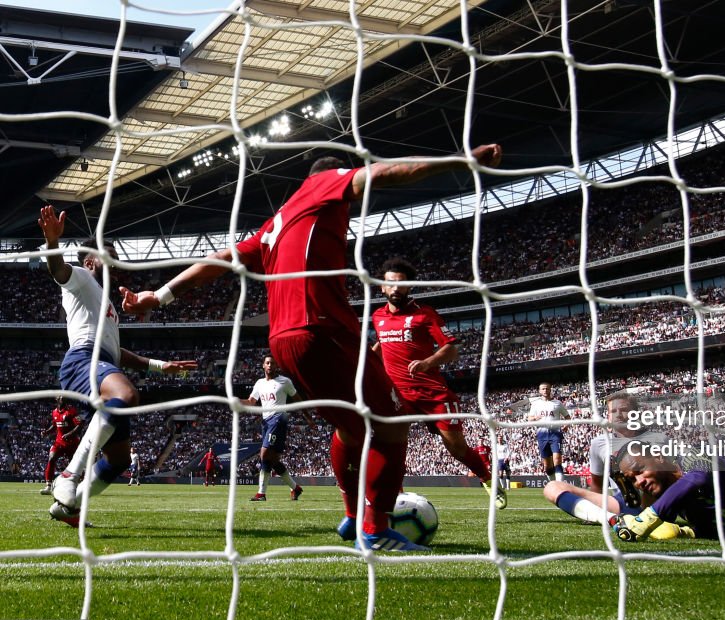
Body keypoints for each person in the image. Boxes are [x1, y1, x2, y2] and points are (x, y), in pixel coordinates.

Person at [120, 144, 502, 551]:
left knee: (352, 429)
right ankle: (374, 530)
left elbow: (219, 260)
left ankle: (352, 517)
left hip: (283, 342)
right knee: (392, 427)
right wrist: (460, 160)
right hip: (321, 330)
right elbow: (382, 174)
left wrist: (157, 297)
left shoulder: (273, 226)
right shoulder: (325, 183)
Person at [39, 206, 197, 528]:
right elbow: (58, 271)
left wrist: (158, 366)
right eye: (106, 255)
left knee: (119, 460)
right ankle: (68, 476)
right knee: (125, 394)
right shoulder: (82, 280)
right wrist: (53, 243)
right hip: (83, 359)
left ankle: (70, 509)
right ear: (89, 262)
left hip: (101, 360)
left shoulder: (107, 304)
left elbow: (118, 352)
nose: (113, 261)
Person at [371, 257, 505, 509]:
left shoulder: (425, 314)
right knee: (392, 446)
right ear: (382, 287)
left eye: (402, 284)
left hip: (432, 393)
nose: (396, 288)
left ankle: (488, 478)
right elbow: (382, 344)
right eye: (391, 284)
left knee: (456, 447)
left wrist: (428, 362)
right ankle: (394, 498)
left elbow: (451, 348)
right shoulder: (377, 317)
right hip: (397, 395)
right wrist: (369, 359)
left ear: (409, 287)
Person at [543, 392, 685, 540]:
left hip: (657, 504)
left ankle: (649, 519)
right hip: (622, 503)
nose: (618, 414)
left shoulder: (659, 439)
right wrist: (592, 511)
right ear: (608, 416)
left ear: (636, 413)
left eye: (623, 409)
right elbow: (597, 483)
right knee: (552, 488)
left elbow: (676, 477)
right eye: (613, 411)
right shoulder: (599, 443)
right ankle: (613, 520)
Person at [242, 354, 316, 501]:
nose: (270, 365)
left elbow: (297, 399)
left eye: (273, 363)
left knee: (264, 454)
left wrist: (308, 417)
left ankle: (261, 493)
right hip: (266, 422)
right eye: (268, 363)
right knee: (273, 461)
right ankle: (295, 488)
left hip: (278, 420)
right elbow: (251, 402)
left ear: (276, 366)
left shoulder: (285, 382)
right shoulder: (259, 383)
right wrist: (237, 402)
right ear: (263, 365)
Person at [526, 382, 571, 482]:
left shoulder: (557, 403)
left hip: (555, 434)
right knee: (547, 465)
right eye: (543, 389)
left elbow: (567, 417)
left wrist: (566, 425)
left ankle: (559, 486)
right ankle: (552, 483)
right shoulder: (536, 404)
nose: (545, 390)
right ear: (539, 391)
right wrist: (535, 417)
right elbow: (529, 418)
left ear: (550, 390)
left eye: (547, 389)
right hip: (542, 434)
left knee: (557, 460)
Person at [39, 396, 84, 495]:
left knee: (75, 464)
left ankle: (82, 483)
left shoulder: (71, 411)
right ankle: (48, 486)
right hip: (59, 442)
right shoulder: (54, 412)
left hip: (72, 443)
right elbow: (55, 425)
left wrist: (69, 434)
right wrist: (46, 432)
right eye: (60, 396)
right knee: (52, 457)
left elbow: (80, 424)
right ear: (56, 399)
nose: (62, 397)